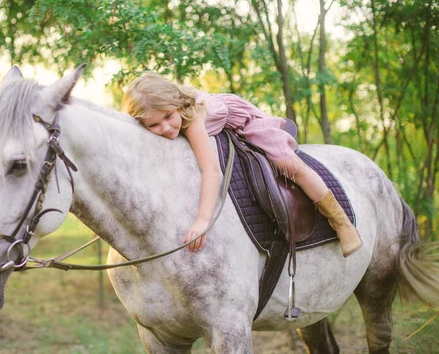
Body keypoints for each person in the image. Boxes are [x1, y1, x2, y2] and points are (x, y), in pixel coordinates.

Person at [121, 72, 362, 257]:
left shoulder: (191, 119)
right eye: (153, 125)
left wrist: (202, 220)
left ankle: (341, 222)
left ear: (177, 105)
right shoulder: (166, 122)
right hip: (222, 123)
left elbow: (211, 170)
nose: (165, 128)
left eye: (168, 117)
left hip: (246, 123)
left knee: (289, 165)